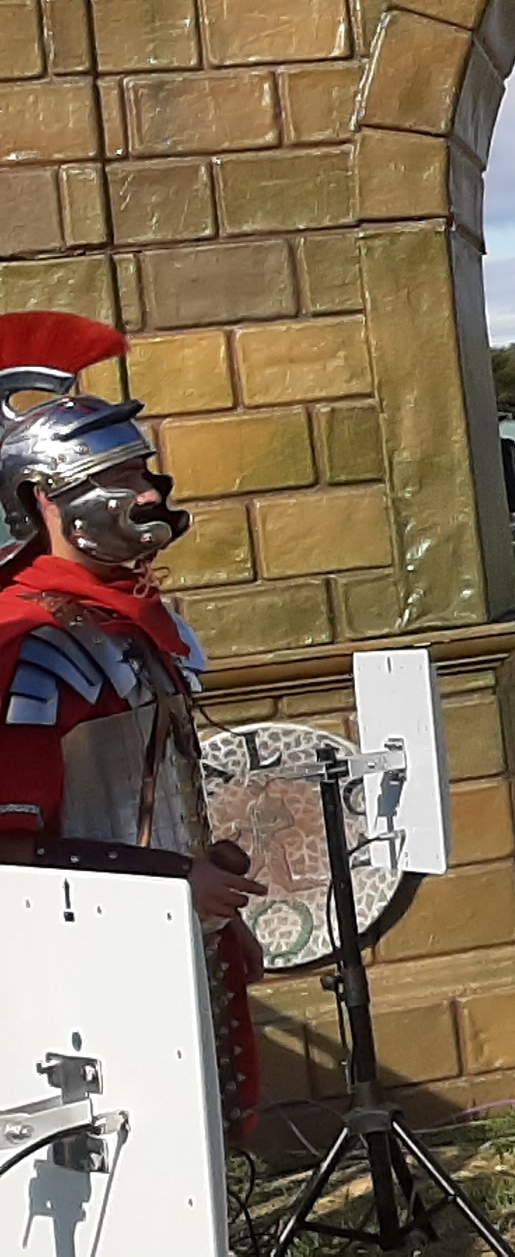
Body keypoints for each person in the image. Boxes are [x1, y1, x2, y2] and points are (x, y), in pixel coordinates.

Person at [0, 312, 267, 1126]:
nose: (149, 494)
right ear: (44, 500)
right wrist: (175, 880)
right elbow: (11, 855)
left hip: (167, 934)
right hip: (86, 966)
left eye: (144, 470)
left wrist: (203, 882)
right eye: (117, 477)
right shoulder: (30, 643)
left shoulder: (128, 622)